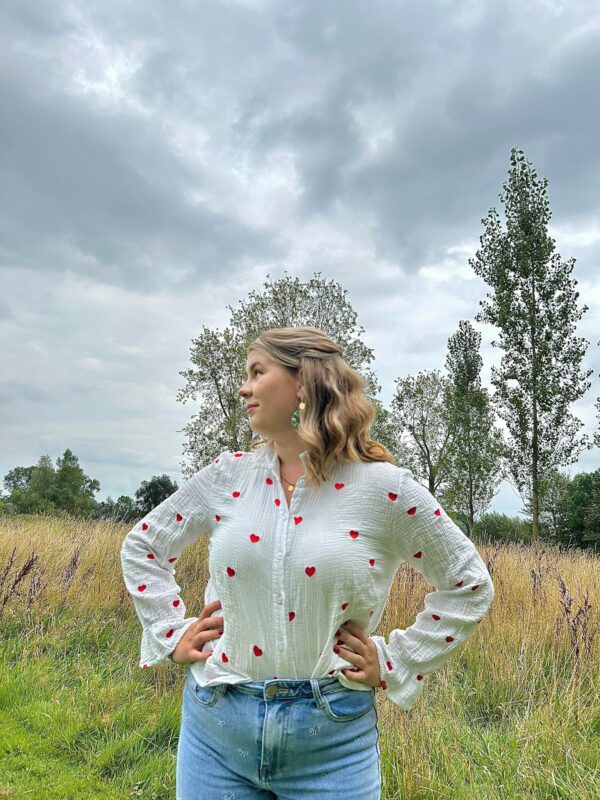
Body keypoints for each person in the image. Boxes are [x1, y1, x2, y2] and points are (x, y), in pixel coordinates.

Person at [120, 326, 495, 799]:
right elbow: (144, 546)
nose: (244, 388)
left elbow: (468, 584)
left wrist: (395, 660)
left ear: (303, 383)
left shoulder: (384, 488)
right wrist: (170, 633)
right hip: (217, 726)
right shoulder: (227, 476)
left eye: (257, 372)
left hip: (332, 741)